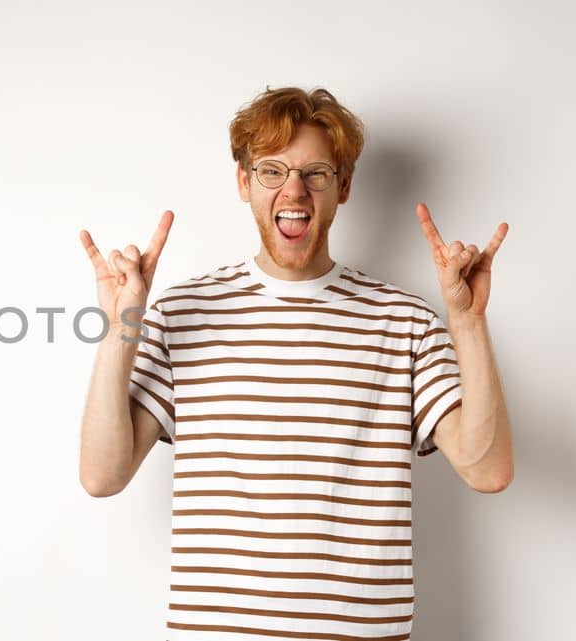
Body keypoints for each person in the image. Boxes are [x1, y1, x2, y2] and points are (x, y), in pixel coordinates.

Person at [76, 86, 515, 640]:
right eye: (271, 171)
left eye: (316, 174)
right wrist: (121, 331)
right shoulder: (181, 314)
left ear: (344, 186)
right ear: (243, 183)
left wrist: (469, 324)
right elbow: (101, 474)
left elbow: (488, 469)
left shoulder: (405, 319)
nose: (295, 191)